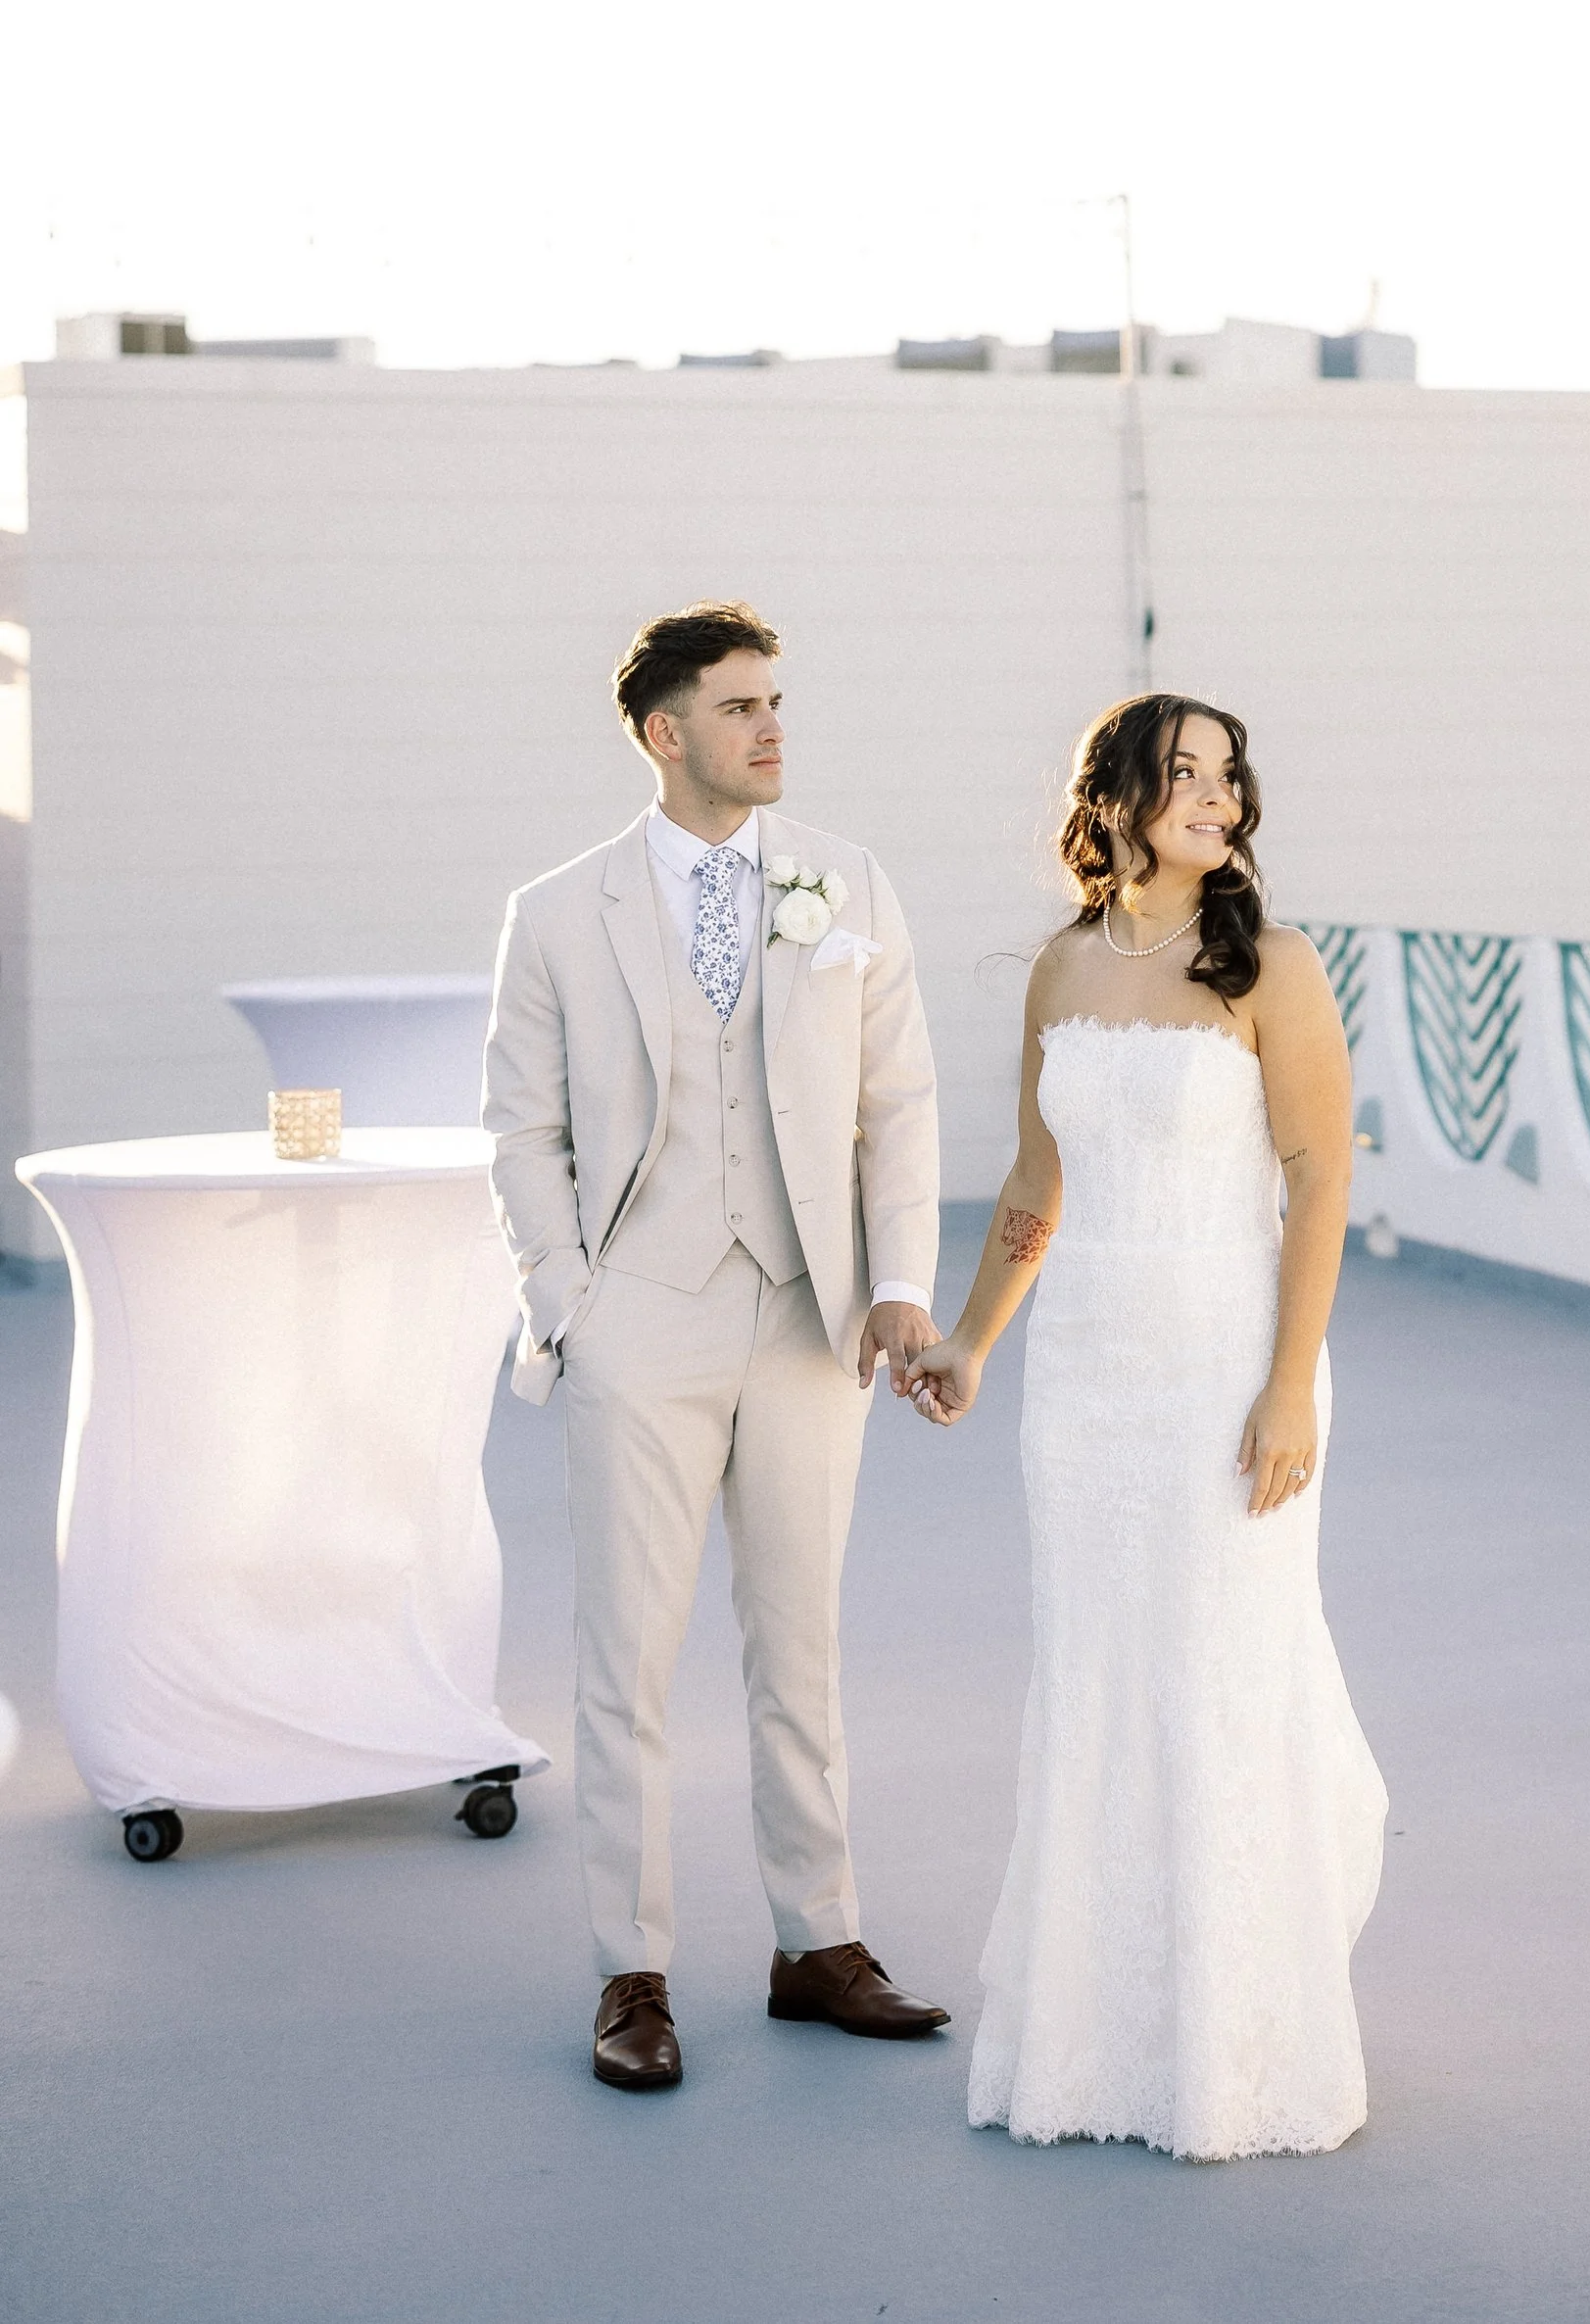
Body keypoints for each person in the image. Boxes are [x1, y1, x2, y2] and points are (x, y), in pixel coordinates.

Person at [907, 692, 1387, 2160]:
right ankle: (1090, 2042)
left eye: (1228, 776)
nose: (1216, 797)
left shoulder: (1273, 966)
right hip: (1087, 1380)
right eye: (1184, 773)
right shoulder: (1060, 967)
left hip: (1225, 1361)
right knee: (1100, 1681)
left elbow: (1319, 1179)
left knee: (1216, 1677)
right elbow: (1039, 1176)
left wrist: (1291, 1379)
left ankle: (1233, 2050)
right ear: (1112, 795)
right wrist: (973, 1338)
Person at [483, 601, 950, 2092]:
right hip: (640, 1315)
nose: (771, 727)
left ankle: (820, 1941)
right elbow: (525, 1128)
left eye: (777, 701)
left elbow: (903, 1102)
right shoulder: (561, 910)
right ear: (663, 729)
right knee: (628, 1655)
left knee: (799, 1641)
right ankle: (633, 1970)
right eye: (740, 705)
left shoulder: (846, 879)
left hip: (810, 1315)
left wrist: (899, 1282)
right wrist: (572, 1300)